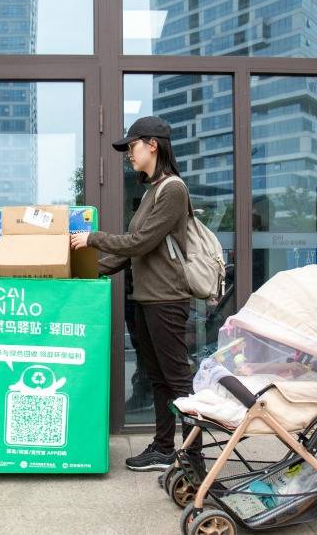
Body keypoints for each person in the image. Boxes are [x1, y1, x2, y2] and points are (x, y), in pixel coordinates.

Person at [71, 115, 199, 471]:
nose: (129, 152)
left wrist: (92, 239)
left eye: (132, 145)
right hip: (146, 300)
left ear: (153, 144)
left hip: (167, 300)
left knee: (177, 380)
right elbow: (134, 253)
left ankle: (193, 458)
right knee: (157, 378)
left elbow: (140, 241)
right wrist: (85, 273)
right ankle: (162, 447)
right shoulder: (152, 191)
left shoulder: (173, 189)